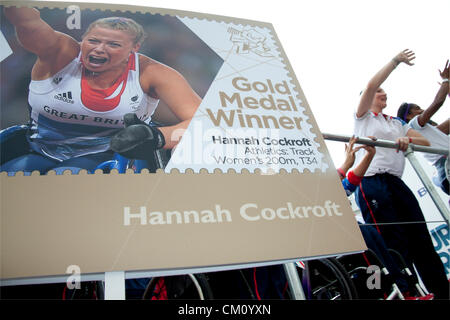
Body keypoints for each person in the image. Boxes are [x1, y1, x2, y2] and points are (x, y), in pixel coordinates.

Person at [1, 6, 201, 174]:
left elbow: (204, 123)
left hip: (105, 158)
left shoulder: (153, 72)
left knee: (63, 178)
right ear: (83, 39)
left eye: (113, 44)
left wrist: (158, 136)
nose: (99, 49)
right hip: (38, 151)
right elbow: (27, 23)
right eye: (93, 41)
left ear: (134, 48)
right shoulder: (60, 52)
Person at [353, 49, 449, 299]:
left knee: (420, 237)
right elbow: (372, 83)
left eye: (385, 91)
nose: (383, 92)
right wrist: (395, 61)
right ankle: (408, 292)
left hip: (396, 182)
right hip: (372, 183)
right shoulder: (363, 118)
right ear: (367, 97)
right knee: (393, 242)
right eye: (379, 92)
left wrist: (405, 137)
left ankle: (441, 291)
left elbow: (425, 143)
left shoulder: (396, 122)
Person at [338, 136, 434, 299]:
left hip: (354, 232)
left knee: (373, 237)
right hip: (333, 240)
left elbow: (350, 183)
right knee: (364, 237)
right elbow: (327, 189)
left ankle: (404, 291)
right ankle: (386, 292)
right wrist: (346, 163)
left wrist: (369, 155)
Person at [397, 60, 449, 194]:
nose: (422, 111)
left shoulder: (432, 133)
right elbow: (437, 103)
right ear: (408, 116)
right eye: (418, 109)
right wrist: (445, 80)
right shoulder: (413, 124)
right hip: (445, 166)